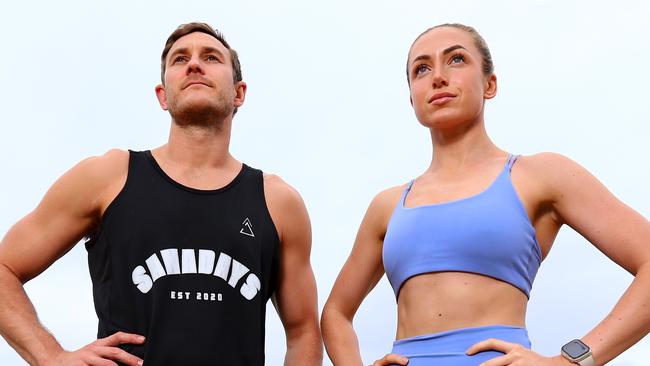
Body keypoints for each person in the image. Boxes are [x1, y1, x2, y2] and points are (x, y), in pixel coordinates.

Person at [321, 23, 650, 366]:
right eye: (422, 68)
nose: (438, 77)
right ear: (412, 98)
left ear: (490, 84)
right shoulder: (386, 207)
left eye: (457, 60)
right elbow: (336, 312)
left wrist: (569, 361)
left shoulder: (540, 176)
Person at [0, 22, 322, 366]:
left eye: (211, 57)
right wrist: (50, 356)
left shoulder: (278, 202)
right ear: (163, 95)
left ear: (239, 93)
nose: (194, 64)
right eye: (180, 59)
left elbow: (303, 332)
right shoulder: (109, 177)